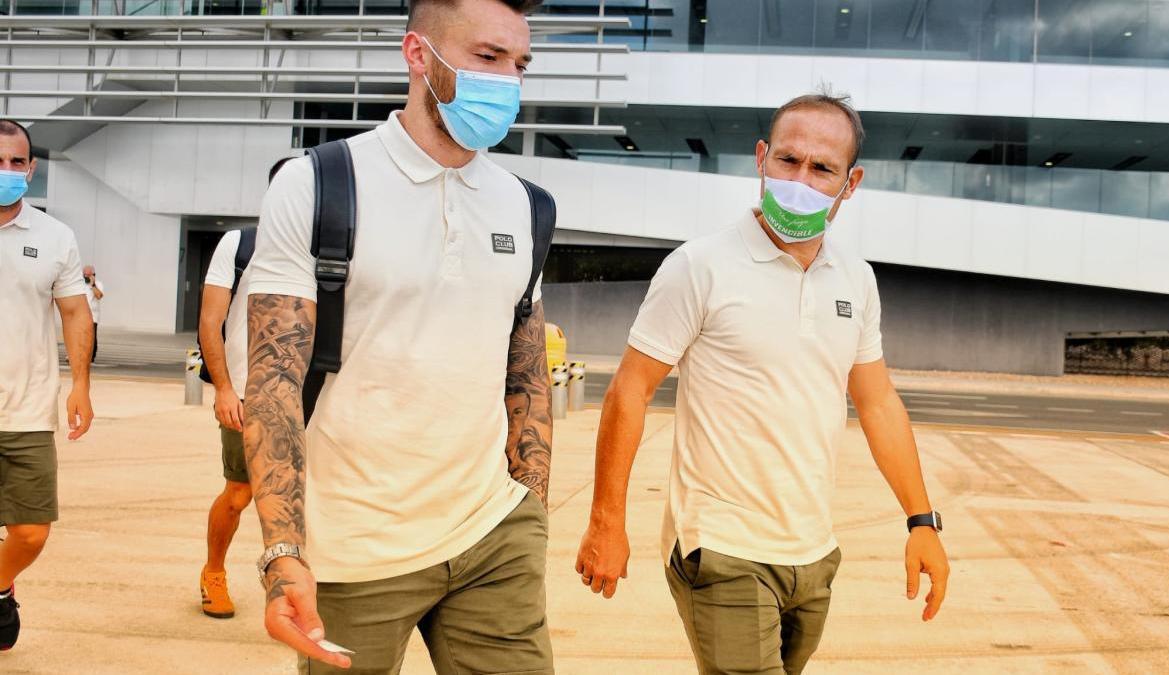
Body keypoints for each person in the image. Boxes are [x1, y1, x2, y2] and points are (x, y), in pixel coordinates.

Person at [574, 92, 951, 674]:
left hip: (814, 552)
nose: (799, 178)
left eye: (822, 168)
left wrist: (921, 520)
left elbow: (877, 402)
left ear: (850, 184)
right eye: (787, 160)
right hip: (721, 547)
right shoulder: (700, 266)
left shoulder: (856, 279)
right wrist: (606, 520)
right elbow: (630, 389)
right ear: (760, 158)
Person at [242, 0, 553, 672]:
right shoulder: (321, 184)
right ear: (418, 55)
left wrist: (532, 505)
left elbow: (525, 370)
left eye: (520, 64)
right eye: (488, 57)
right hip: (356, 547)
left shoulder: (526, 205)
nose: (508, 83)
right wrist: (283, 551)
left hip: (494, 533)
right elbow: (273, 381)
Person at [0, 119, 94, 651]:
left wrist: (80, 384)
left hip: (27, 410)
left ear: (32, 169)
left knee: (31, 531)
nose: (8, 172)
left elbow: (76, 314)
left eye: (17, 162)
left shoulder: (55, 236)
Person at [197, 156, 292, 620]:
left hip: (308, 399)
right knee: (239, 494)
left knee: (310, 499)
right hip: (247, 396)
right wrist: (223, 389)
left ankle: (296, 583)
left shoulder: (331, 249)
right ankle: (213, 571)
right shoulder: (241, 244)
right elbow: (211, 322)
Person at [83, 265, 104, 363]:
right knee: (80, 335)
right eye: (84, 275)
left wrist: (93, 285)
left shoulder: (98, 284)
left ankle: (91, 356)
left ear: (93, 275)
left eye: (88, 275)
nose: (86, 277)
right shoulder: (80, 284)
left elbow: (99, 295)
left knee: (92, 336)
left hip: (93, 316)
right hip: (81, 314)